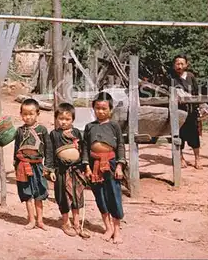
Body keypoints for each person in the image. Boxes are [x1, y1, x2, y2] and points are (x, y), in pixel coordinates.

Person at [83, 92, 126, 244]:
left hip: (111, 164)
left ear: (110, 109)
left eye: (104, 109)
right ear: (93, 108)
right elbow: (85, 148)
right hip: (94, 166)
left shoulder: (114, 126)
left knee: (114, 195)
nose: (100, 111)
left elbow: (120, 145)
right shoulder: (89, 127)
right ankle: (107, 228)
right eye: (97, 108)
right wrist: (87, 167)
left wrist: (120, 166)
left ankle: (117, 230)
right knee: (100, 196)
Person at [46, 103, 90, 238]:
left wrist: (85, 166)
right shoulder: (54, 134)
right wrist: (50, 169)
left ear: (73, 120)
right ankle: (65, 222)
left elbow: (83, 150)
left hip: (76, 170)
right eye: (60, 118)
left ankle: (77, 223)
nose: (63, 122)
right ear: (56, 118)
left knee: (77, 196)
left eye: (67, 119)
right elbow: (49, 152)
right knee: (63, 197)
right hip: (61, 170)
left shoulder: (77, 133)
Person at [13, 98, 50, 230]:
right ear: (21, 114)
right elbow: (16, 149)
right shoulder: (19, 131)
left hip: (38, 166)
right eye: (25, 114)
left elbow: (48, 150)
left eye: (31, 114)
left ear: (38, 114)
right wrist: (15, 165)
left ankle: (40, 220)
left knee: (39, 193)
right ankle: (31, 220)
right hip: (23, 166)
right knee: (27, 193)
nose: (28, 117)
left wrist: (48, 167)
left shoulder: (43, 130)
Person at [168, 54, 202, 169]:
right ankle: (181, 158)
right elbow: (166, 93)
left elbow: (197, 92)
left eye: (182, 63)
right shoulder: (171, 78)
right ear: (174, 65)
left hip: (191, 111)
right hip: (177, 111)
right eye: (177, 63)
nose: (180, 66)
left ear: (186, 65)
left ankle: (197, 159)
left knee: (194, 135)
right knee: (179, 135)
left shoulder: (191, 76)